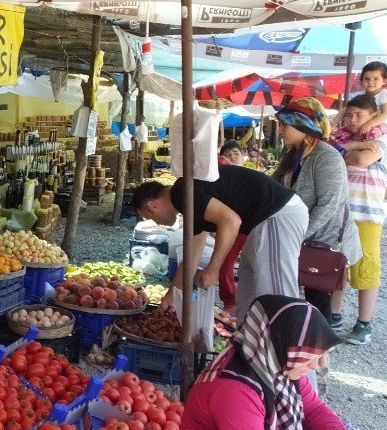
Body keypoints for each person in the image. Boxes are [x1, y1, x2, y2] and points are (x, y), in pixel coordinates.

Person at [162, 295, 384, 430]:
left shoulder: (274, 362)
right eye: (308, 357)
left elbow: (315, 410)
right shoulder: (235, 389)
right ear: (279, 343)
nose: (315, 366)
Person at [132, 164, 307, 317]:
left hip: (277, 215)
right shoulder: (188, 202)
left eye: (149, 217)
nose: (155, 223)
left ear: (153, 205)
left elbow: (231, 221)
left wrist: (213, 269)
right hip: (263, 222)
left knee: (277, 297)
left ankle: (295, 351)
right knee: (248, 295)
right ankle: (248, 348)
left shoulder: (181, 193)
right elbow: (191, 257)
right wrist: (170, 296)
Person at [271, 98, 361, 321]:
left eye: (285, 124)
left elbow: (329, 205)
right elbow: (274, 186)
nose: (280, 130)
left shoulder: (326, 156)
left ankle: (320, 354)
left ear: (304, 125)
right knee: (300, 305)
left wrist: (297, 236)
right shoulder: (294, 154)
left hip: (324, 243)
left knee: (318, 308)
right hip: (305, 240)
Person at [328, 94, 387, 344]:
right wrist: (350, 147)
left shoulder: (382, 138)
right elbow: (334, 150)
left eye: (360, 115)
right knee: (337, 265)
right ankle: (334, 315)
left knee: (366, 268)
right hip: (341, 212)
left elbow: (363, 160)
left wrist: (347, 152)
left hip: (367, 214)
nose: (353, 120)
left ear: (374, 116)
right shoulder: (343, 138)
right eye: (350, 114)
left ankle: (364, 324)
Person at [216, 142, 247, 315]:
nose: (232, 156)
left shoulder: (253, 176)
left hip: (252, 223)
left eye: (236, 152)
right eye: (228, 154)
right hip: (234, 227)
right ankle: (231, 302)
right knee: (225, 263)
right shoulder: (221, 175)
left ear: (242, 156)